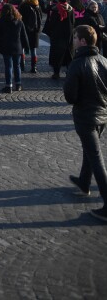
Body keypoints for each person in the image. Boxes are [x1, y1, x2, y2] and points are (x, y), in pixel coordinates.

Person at [63, 25, 107, 222]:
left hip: (86, 116)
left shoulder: (78, 63)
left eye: (74, 38)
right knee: (91, 151)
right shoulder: (104, 60)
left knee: (96, 156)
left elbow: (70, 96)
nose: (73, 41)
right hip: (102, 114)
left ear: (82, 41)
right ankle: (84, 181)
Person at [0, 3, 29, 93]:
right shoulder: (19, 21)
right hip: (17, 46)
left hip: (6, 46)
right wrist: (26, 47)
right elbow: (24, 35)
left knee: (8, 67)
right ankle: (18, 84)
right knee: (17, 66)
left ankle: (9, 86)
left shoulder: (1, 21)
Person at [44, 0, 75, 80]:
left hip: (57, 36)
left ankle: (56, 73)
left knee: (56, 55)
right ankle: (69, 72)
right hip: (68, 34)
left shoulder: (55, 9)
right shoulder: (71, 9)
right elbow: (73, 22)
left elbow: (52, 23)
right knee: (68, 54)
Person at [19, 0, 43, 74]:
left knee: (22, 48)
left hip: (25, 29)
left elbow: (19, 18)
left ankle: (22, 65)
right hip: (35, 30)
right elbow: (40, 18)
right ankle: (34, 67)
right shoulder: (37, 5)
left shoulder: (23, 6)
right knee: (33, 50)